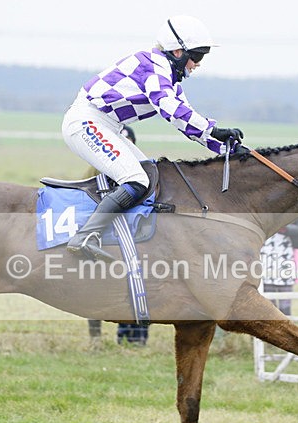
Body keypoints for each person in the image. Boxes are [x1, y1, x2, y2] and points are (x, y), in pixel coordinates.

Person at [61, 14, 246, 263]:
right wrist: (213, 131)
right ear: (178, 51)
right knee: (136, 179)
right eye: (197, 56)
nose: (198, 64)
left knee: (149, 174)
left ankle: (121, 236)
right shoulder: (153, 66)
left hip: (106, 125)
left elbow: (186, 122)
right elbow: (171, 110)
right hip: (86, 121)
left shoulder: (168, 78)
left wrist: (229, 149)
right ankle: (86, 236)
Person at [83, 126, 151, 346]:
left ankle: (135, 339)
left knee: (138, 284)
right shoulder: (95, 169)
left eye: (127, 140)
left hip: (135, 235)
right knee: (95, 286)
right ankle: (96, 339)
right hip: (106, 234)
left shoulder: (143, 171)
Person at [260, 219, 298, 316]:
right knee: (269, 307)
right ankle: (271, 330)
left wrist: (287, 229)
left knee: (285, 308)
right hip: (265, 270)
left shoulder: (292, 215)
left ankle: (286, 328)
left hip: (286, 270)